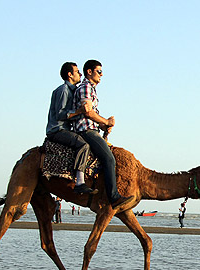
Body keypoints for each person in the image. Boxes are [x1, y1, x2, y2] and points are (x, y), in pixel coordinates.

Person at [73, 60, 134, 208]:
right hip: (85, 130)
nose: (101, 75)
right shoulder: (86, 88)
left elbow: (91, 115)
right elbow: (88, 112)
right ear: (89, 72)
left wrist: (103, 124)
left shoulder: (91, 89)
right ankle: (113, 197)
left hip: (91, 128)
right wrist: (105, 122)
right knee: (109, 159)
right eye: (99, 71)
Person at [46, 62, 97, 195]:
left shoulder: (73, 91)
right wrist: (80, 111)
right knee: (83, 145)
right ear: (70, 74)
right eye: (77, 71)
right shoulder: (64, 90)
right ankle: (80, 182)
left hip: (65, 129)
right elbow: (61, 114)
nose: (80, 74)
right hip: (57, 129)